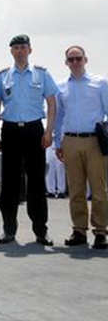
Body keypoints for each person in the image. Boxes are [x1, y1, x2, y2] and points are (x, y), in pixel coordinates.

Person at [0, 34, 58, 246]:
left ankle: (41, 231)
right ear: (11, 51)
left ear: (30, 50)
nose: (19, 51)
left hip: (34, 131)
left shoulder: (42, 74)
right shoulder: (3, 76)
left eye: (23, 47)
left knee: (37, 183)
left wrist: (49, 132)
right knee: (9, 184)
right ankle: (8, 230)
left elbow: (51, 103)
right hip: (11, 131)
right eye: (16, 48)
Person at [54, 45, 108, 249]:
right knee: (75, 189)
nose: (75, 62)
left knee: (99, 189)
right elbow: (59, 117)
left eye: (78, 58)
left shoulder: (100, 83)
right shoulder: (61, 87)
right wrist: (58, 142)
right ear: (66, 63)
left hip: (95, 140)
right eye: (71, 59)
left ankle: (101, 231)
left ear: (86, 59)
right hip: (70, 141)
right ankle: (79, 230)